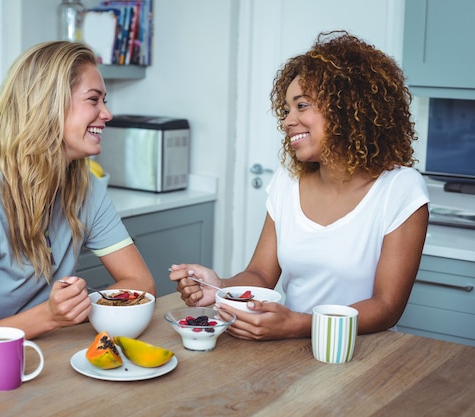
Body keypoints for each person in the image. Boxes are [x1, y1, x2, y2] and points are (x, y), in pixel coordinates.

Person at [0, 41, 156, 375]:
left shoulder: (86, 189)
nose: (107, 114)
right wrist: (51, 315)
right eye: (93, 99)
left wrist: (75, 307)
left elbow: (140, 282)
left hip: (34, 358)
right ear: (48, 106)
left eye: (104, 101)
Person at [170, 31, 429, 341]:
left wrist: (299, 324)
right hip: (290, 350)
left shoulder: (400, 190)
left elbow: (387, 306)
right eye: (286, 110)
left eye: (301, 105)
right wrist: (220, 287)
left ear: (346, 108)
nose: (287, 121)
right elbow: (262, 275)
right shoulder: (287, 181)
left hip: (362, 354)